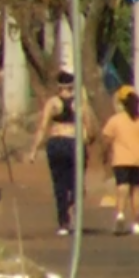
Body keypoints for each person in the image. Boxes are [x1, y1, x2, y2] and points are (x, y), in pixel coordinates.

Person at [27, 71, 97, 236]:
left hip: (56, 143)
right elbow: (90, 127)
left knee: (59, 184)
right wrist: (88, 141)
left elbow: (42, 127)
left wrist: (34, 150)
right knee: (77, 181)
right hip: (74, 143)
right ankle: (73, 207)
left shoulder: (52, 103)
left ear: (59, 87)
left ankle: (63, 222)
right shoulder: (80, 103)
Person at [101, 85, 139, 235]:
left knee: (122, 187)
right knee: (136, 189)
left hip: (121, 160)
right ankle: (137, 222)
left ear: (122, 103)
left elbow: (106, 139)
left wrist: (104, 154)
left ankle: (120, 214)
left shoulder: (115, 120)